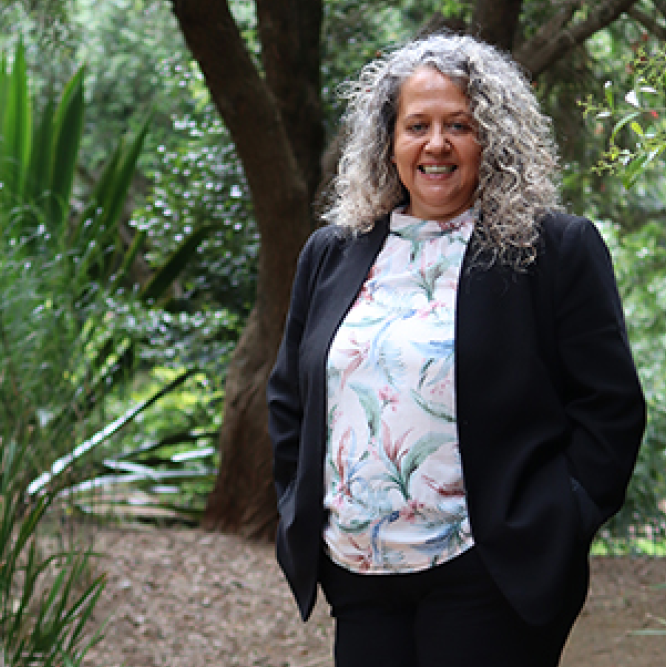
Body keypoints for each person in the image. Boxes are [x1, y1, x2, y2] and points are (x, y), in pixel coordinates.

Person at [267, 32, 646, 667]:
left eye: (459, 125)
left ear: (491, 139)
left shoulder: (552, 250)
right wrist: (298, 513)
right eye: (417, 124)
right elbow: (289, 401)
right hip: (359, 576)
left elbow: (610, 409)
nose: (436, 144)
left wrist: (557, 522)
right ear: (389, 142)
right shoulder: (330, 255)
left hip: (488, 575)